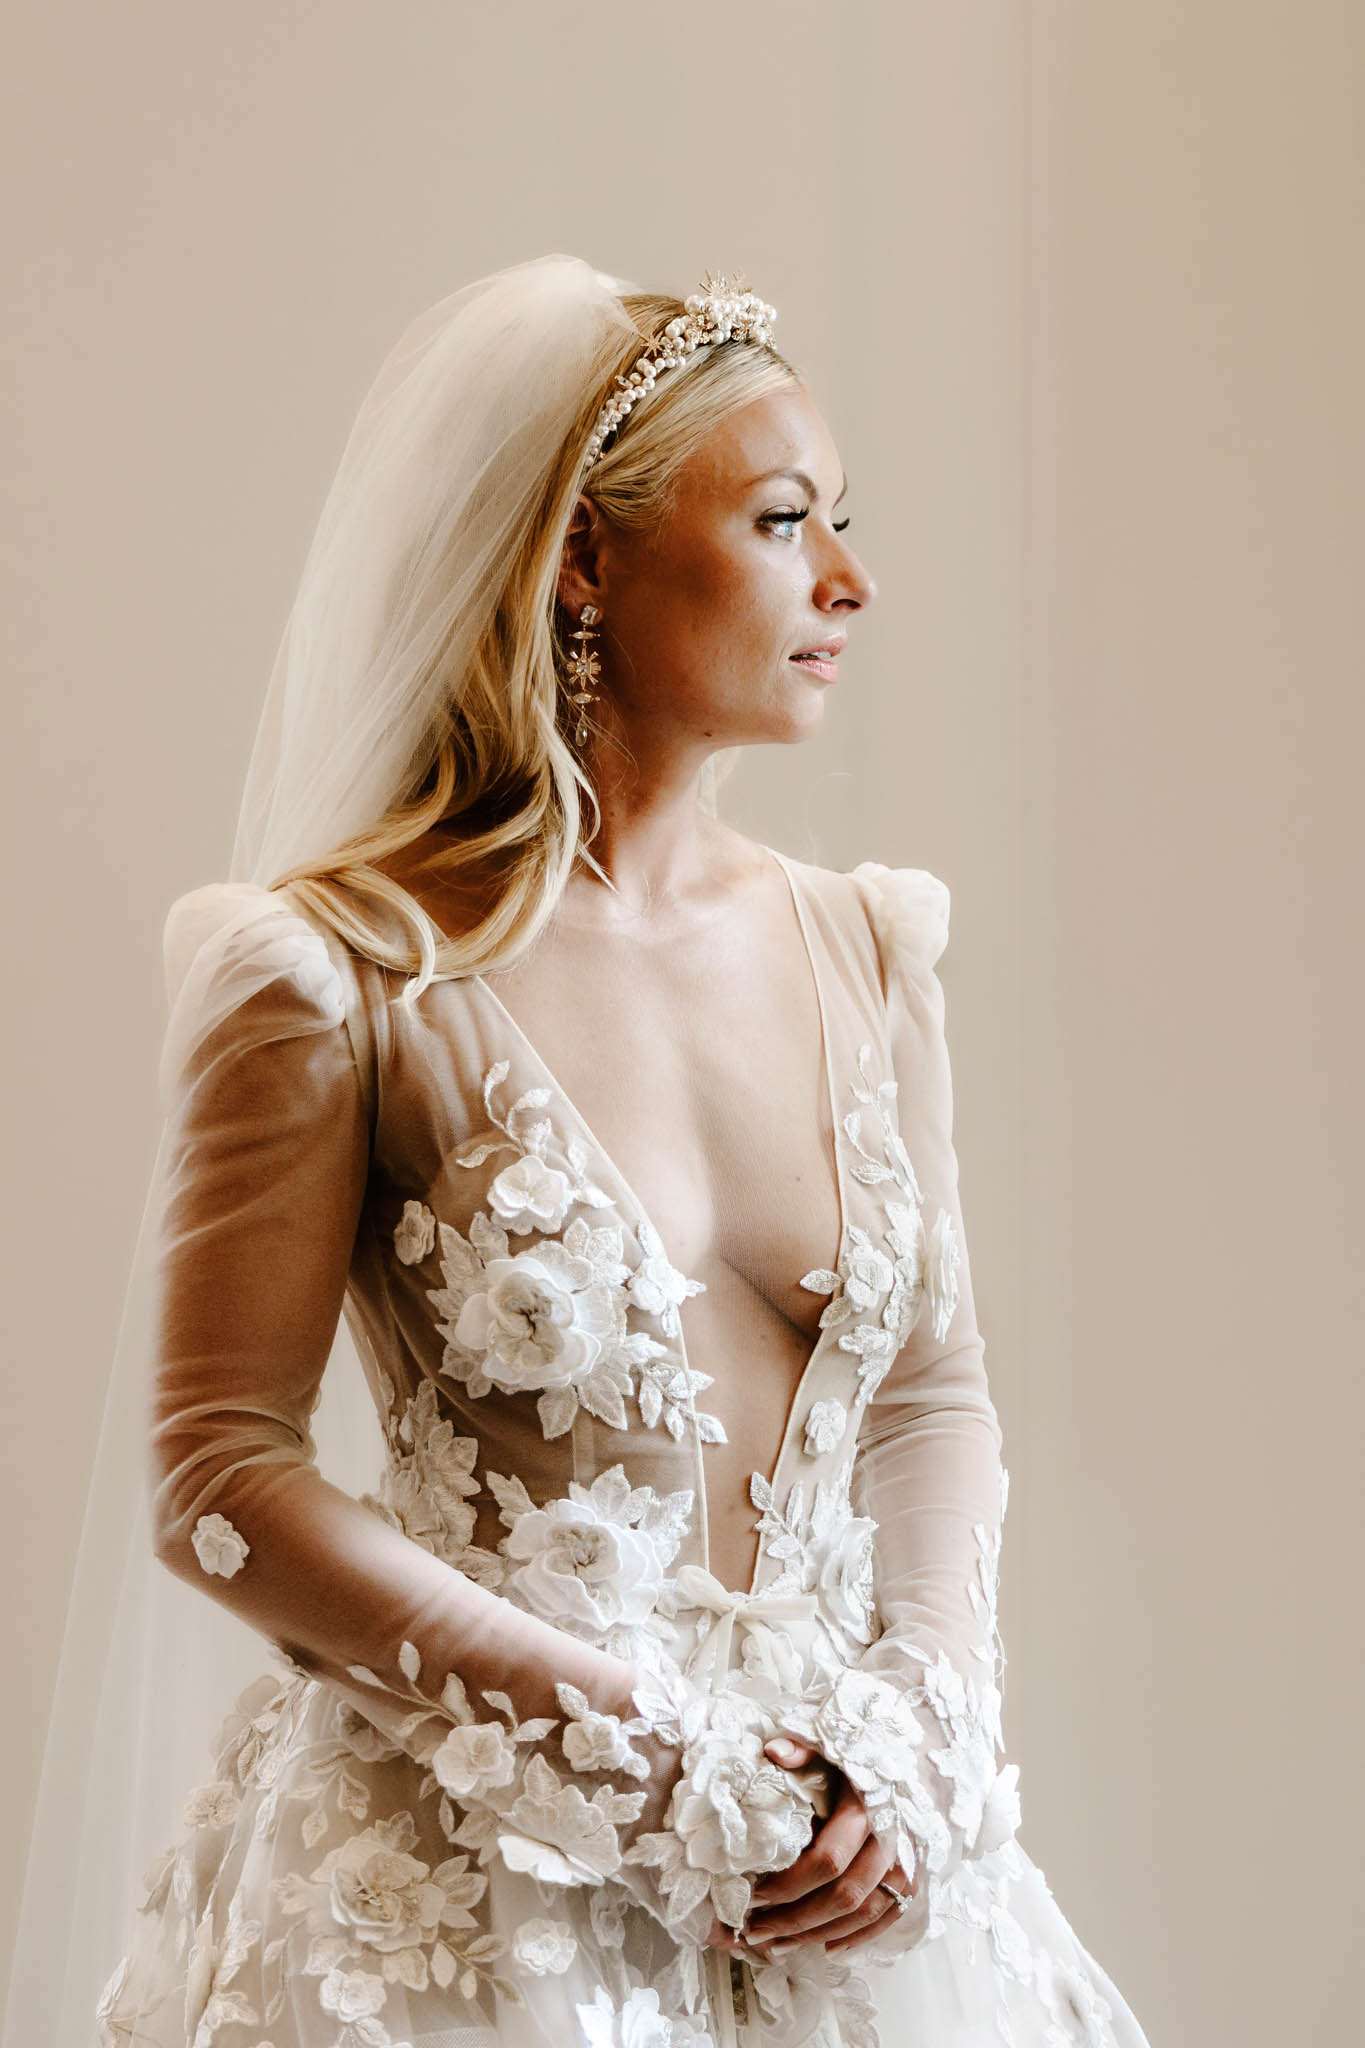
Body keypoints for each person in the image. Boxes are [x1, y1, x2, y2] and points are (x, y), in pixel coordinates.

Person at [4, 255, 1152, 2048]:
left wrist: (913, 1742)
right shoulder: (334, 970)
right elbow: (219, 1473)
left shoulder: (866, 947)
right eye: (782, 522)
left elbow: (929, 1396)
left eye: (839, 523)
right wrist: (654, 1774)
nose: (847, 583)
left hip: (850, 1852)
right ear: (582, 561)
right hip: (481, 1885)